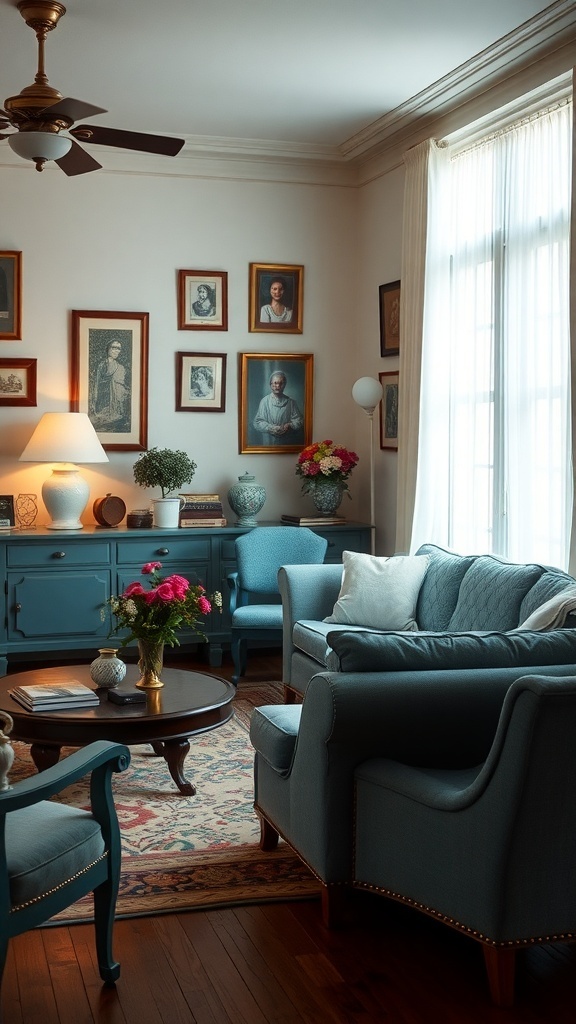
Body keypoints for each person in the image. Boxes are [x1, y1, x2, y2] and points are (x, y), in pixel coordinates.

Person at [253, 371, 304, 445]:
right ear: (270, 384)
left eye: (281, 383)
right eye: (275, 383)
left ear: (285, 385)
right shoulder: (265, 401)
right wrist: (271, 428)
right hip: (269, 441)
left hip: (287, 441)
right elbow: (258, 422)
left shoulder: (291, 402)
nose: (278, 386)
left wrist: (289, 425)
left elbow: (299, 420)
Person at [90, 338, 130, 430]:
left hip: (116, 403)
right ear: (108, 349)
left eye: (118, 348)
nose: (116, 350)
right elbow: (96, 383)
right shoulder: (101, 365)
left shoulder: (121, 367)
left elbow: (123, 385)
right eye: (114, 347)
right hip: (103, 401)